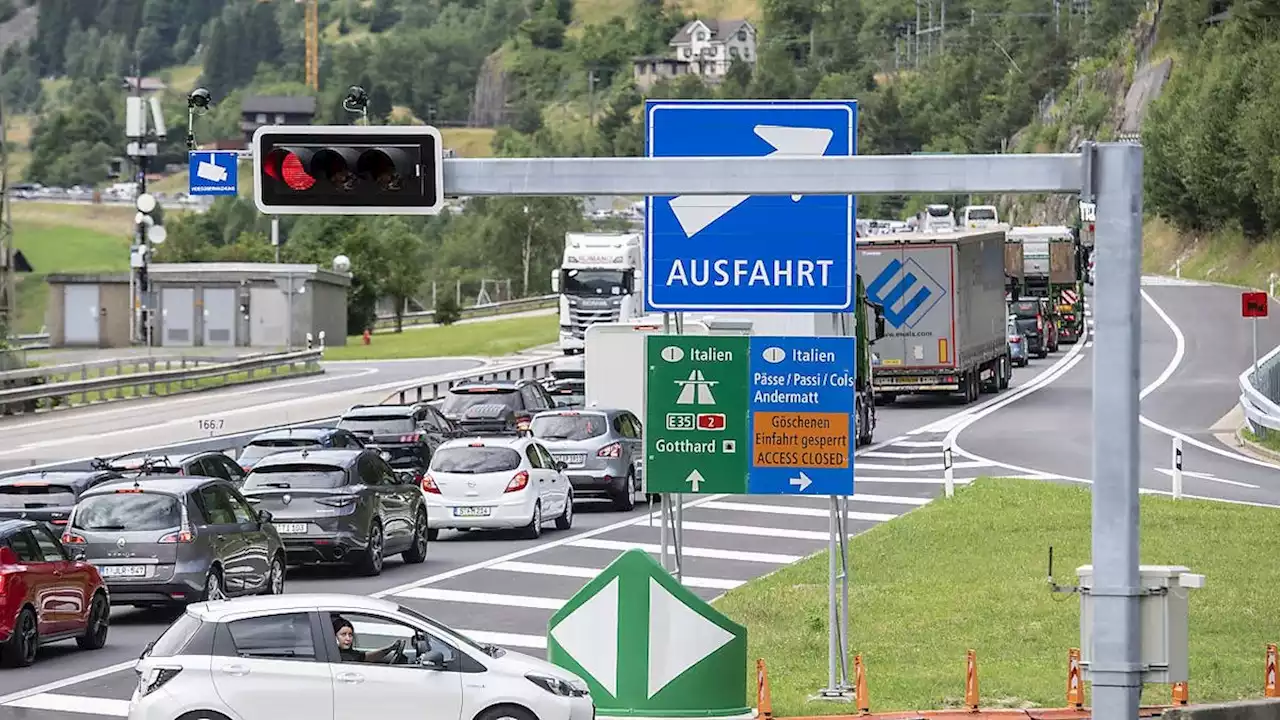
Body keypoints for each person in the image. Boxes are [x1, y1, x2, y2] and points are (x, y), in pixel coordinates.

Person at [332, 615, 404, 663]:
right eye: (343, 634)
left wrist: (390, 648)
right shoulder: (339, 657)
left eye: (350, 635)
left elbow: (367, 657)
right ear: (334, 636)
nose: (348, 638)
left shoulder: (350, 654)